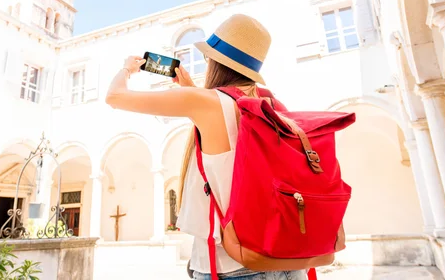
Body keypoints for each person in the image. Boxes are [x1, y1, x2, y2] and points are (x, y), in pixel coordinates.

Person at [106, 14, 307, 280]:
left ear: (216, 62)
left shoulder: (204, 102)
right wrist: (191, 90)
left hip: (234, 265)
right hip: (286, 258)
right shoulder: (269, 105)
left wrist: (127, 69)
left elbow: (115, 97)